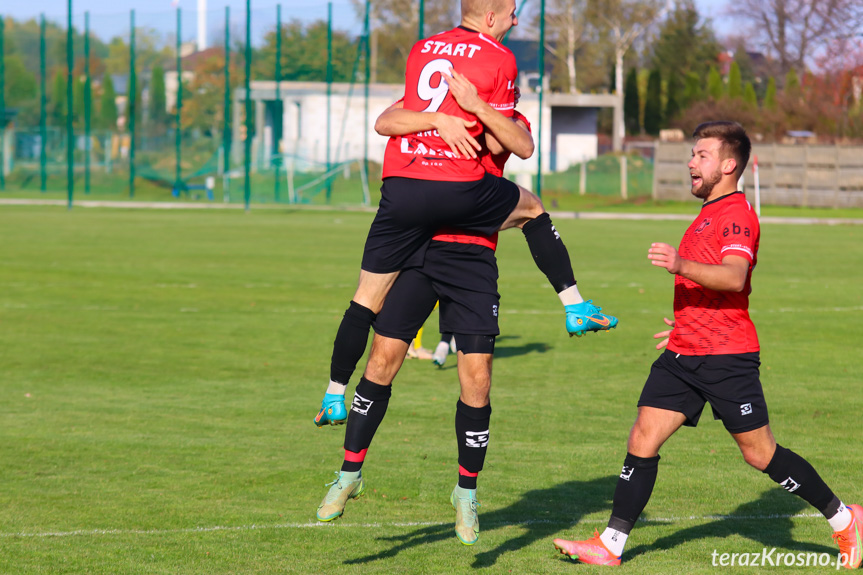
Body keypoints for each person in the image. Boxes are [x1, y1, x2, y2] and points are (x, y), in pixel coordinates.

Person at [551, 121, 862, 568]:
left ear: (729, 164)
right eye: (692, 154)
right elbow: (710, 287)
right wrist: (686, 321)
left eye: (702, 155)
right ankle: (611, 544)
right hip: (684, 353)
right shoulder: (707, 213)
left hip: (726, 359)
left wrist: (680, 264)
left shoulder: (736, 214)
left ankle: (844, 517)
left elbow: (734, 277)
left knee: (760, 453)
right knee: (643, 437)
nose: (691, 162)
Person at [314, 0, 617, 429]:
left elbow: (385, 121)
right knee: (531, 207)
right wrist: (473, 110)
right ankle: (574, 304)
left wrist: (435, 117)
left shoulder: (423, 49)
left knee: (365, 301)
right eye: (512, 12)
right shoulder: (499, 58)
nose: (517, 18)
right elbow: (509, 146)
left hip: (400, 190)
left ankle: (333, 394)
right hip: (458, 201)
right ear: (491, 17)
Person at [316, 81, 537, 546]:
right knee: (381, 361)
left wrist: (479, 112)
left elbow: (512, 148)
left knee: (476, 381)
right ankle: (348, 474)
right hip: (420, 254)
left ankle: (466, 493)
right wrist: (433, 115)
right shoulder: (430, 112)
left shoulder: (504, 118)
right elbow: (387, 122)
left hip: (473, 261)